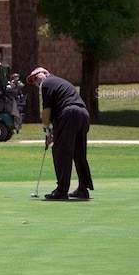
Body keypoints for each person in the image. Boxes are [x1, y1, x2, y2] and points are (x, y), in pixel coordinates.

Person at [27, 67, 94, 200]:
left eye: (36, 77)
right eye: (33, 81)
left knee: (61, 152)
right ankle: (83, 188)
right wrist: (53, 133)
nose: (36, 82)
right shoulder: (58, 82)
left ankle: (61, 190)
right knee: (79, 153)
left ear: (45, 73)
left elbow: (46, 111)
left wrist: (46, 129)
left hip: (69, 113)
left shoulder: (46, 83)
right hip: (83, 114)